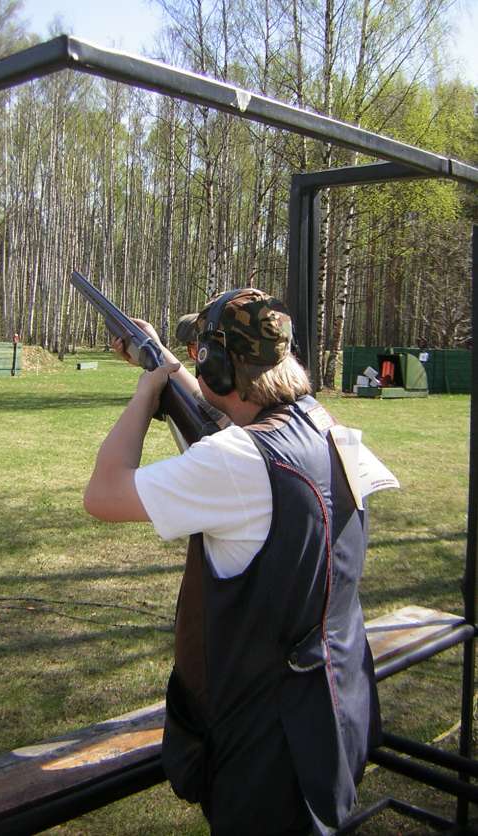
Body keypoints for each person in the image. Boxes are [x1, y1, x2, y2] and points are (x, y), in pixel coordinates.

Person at [84, 288, 381, 836]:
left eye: (201, 355)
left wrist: (147, 394)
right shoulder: (326, 426)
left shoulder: (237, 460)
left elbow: (102, 494)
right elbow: (230, 432)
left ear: (219, 367)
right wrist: (161, 362)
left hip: (266, 744)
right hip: (336, 705)